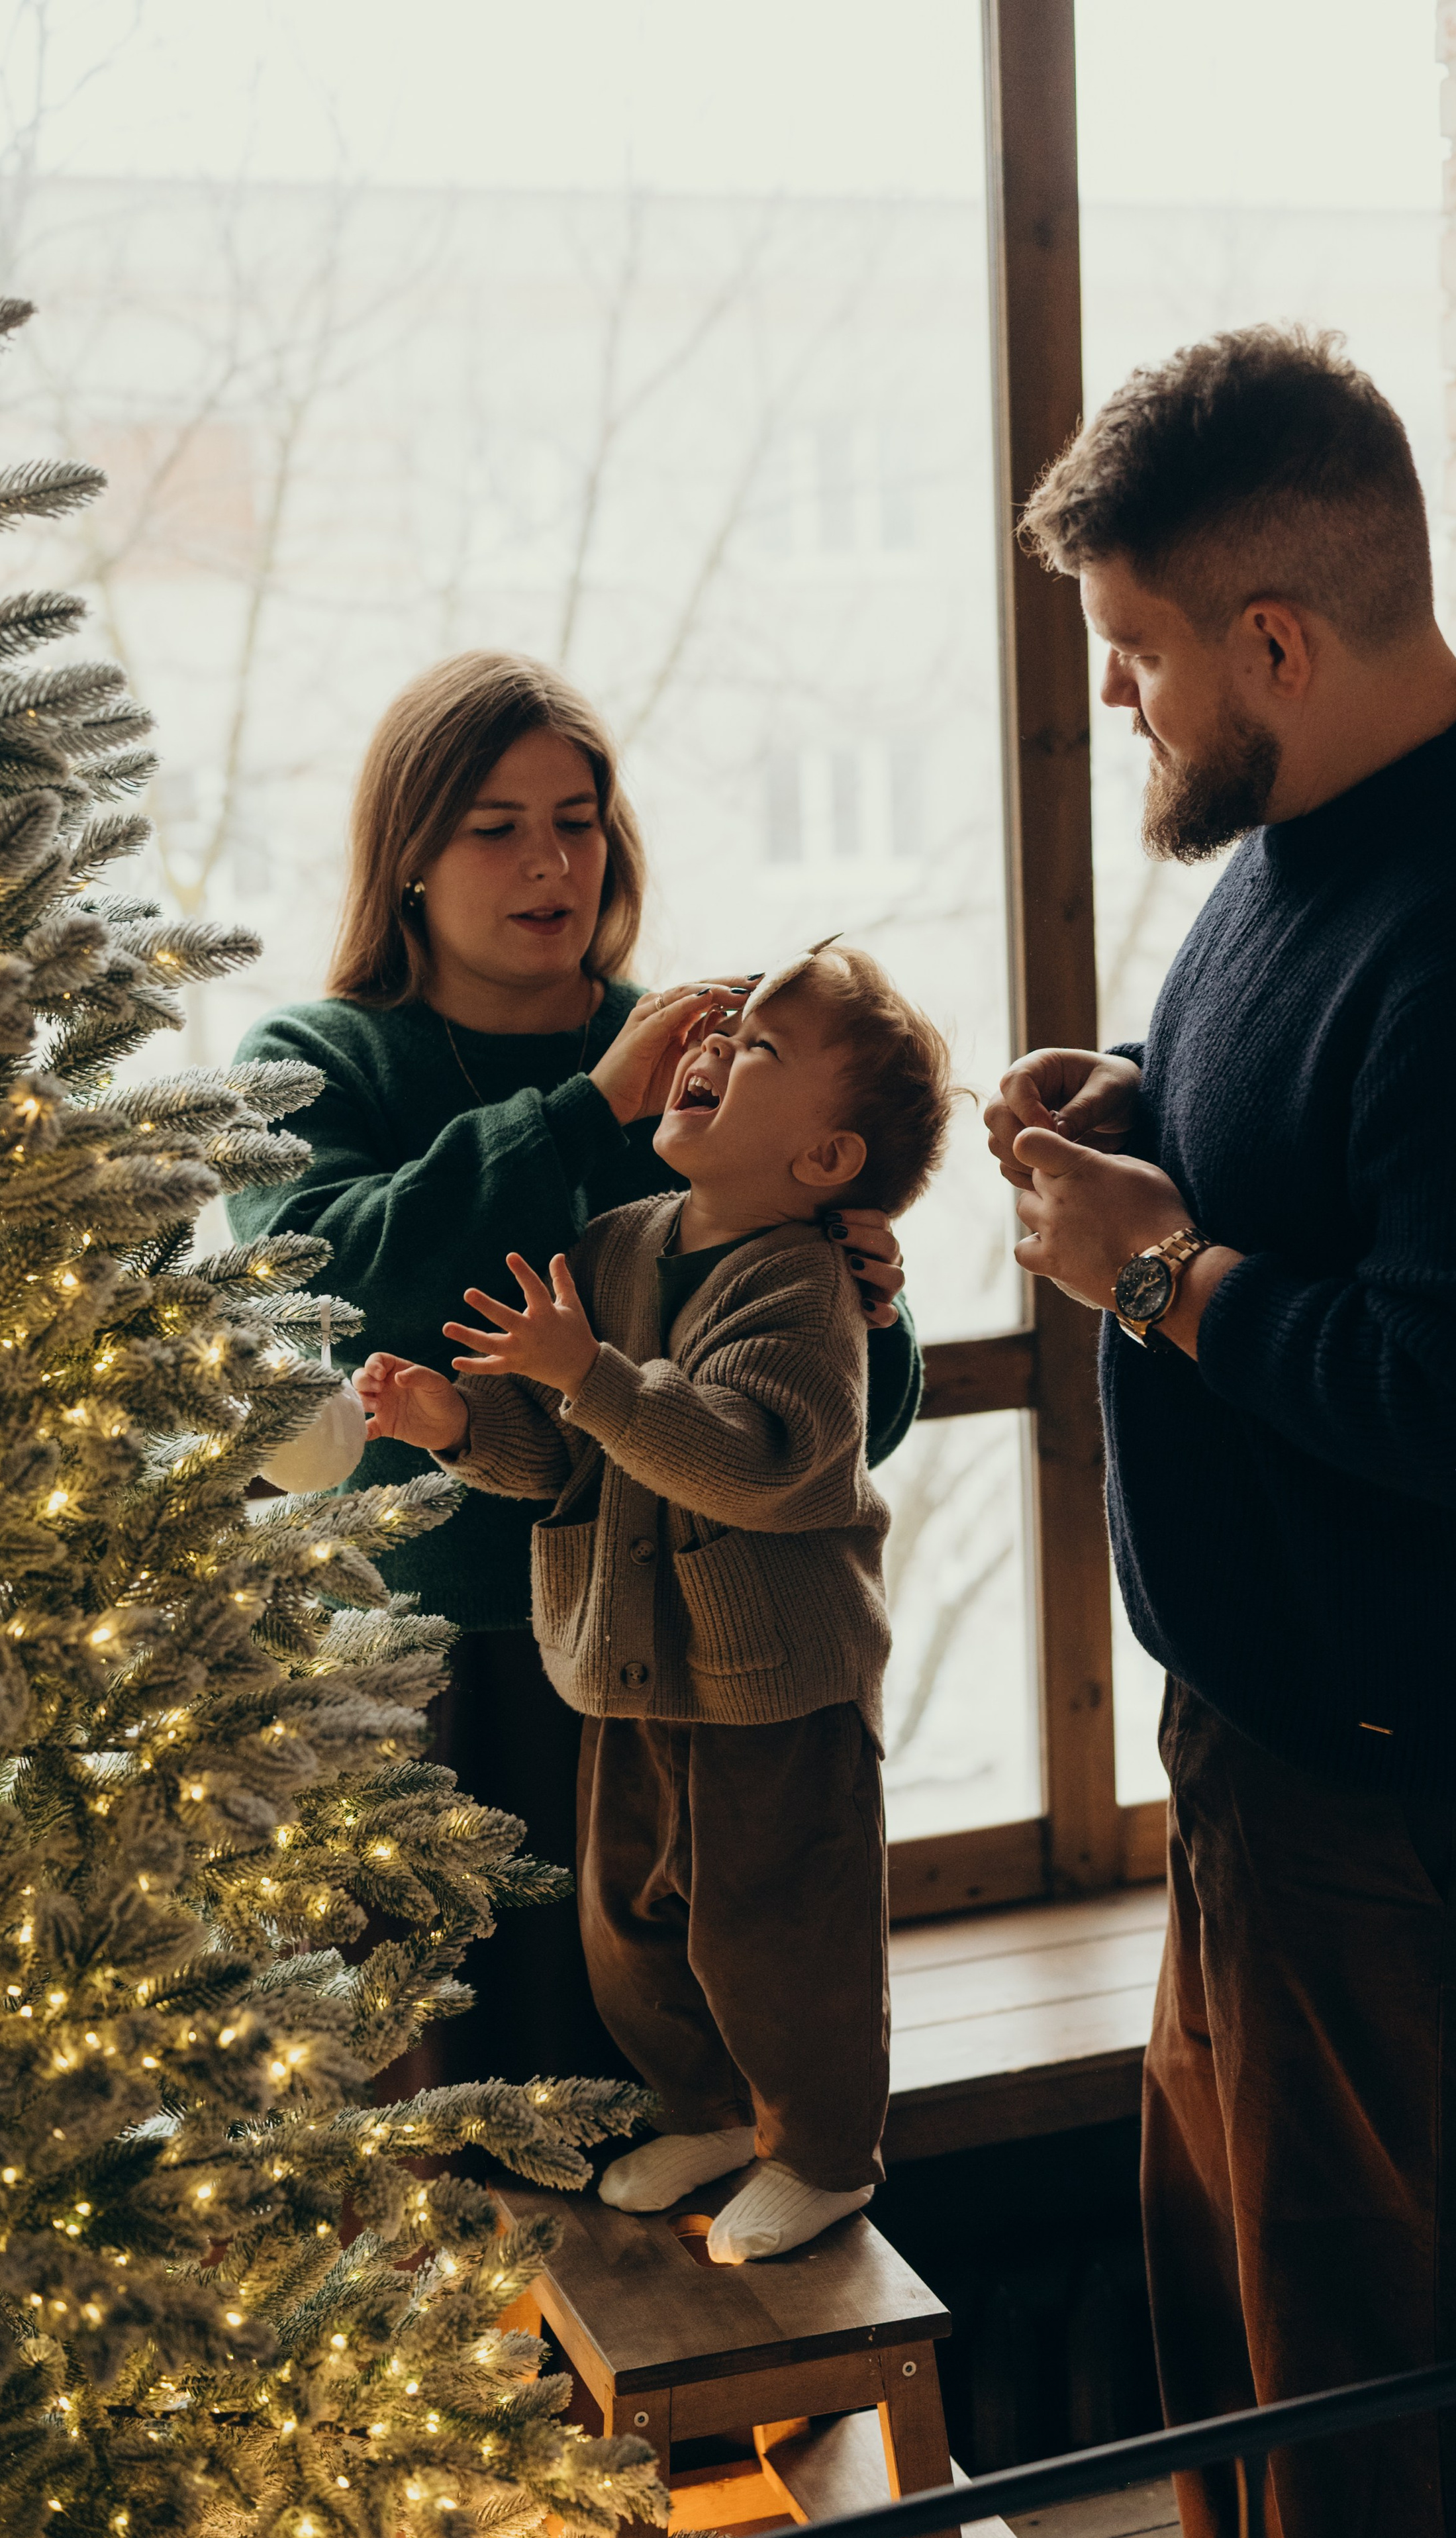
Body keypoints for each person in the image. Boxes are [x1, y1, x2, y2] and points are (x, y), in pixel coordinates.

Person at [983, 326, 1456, 2538]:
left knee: (1387, 2458)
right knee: (1261, 2404)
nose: (1122, 701)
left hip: (1404, 1818)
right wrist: (1151, 1112)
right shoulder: (1311, 820)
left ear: (1274, 638)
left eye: (1136, 654)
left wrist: (1157, 1271)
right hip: (1267, 1768)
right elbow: (1341, 1164)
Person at [228, 653, 922, 2092]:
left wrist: (873, 1307)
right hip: (426, 1678)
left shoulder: (710, 1068)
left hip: (686, 1680)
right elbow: (322, 1285)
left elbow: (834, 1435)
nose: (550, 859)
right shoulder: (323, 1056)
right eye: (495, 824)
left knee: (686, 2102)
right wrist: (585, 1106)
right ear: (406, 854)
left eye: (579, 814)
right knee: (453, 2126)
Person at [353, 945, 952, 2261]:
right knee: (629, 1924)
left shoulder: (801, 1283)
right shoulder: (620, 1239)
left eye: (756, 1052)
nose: (709, 1050)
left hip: (772, 1681)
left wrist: (593, 1375)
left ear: (823, 1162)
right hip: (627, 1671)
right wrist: (456, 1417)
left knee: (777, 1932)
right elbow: (562, 1445)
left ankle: (820, 2151)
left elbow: (757, 1458)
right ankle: (707, 2107)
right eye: (720, 1033)